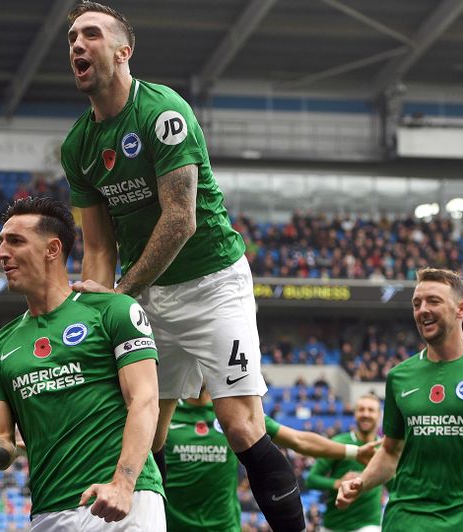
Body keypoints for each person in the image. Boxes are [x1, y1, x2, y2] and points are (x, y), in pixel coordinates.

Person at [61, 3, 304, 530]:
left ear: (123, 51)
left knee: (238, 424)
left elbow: (180, 220)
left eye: (92, 34)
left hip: (214, 282)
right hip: (146, 294)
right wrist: (98, 312)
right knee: (147, 429)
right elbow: (99, 248)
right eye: (73, 37)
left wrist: (122, 293)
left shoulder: (162, 111)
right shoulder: (78, 145)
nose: (77, 44)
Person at [0, 196, 164, 530]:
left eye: (15, 241)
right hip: (49, 513)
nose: (2, 253)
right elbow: (2, 445)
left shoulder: (112, 311)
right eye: (1, 242)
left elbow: (145, 400)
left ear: (52, 249)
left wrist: (123, 483)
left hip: (123, 501)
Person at [336, 267, 463, 530]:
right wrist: (362, 482)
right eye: (416, 303)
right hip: (404, 519)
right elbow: (390, 451)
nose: (422, 309)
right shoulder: (399, 376)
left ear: (461, 309)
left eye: (433, 301)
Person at [164, 386, 380, 532]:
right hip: (171, 526)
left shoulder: (234, 412)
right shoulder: (164, 410)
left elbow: (298, 440)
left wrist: (355, 452)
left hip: (223, 527)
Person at [308, 394, 383, 532]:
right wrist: (337, 483)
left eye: (371, 410)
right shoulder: (339, 443)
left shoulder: (384, 449)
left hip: (369, 524)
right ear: (355, 414)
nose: (365, 414)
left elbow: (394, 484)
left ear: (379, 415)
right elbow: (311, 480)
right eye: (361, 409)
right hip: (334, 525)